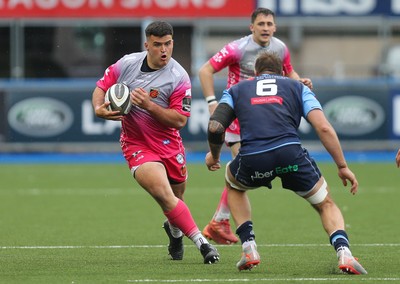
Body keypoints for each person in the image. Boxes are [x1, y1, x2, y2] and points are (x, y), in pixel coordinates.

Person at [205, 52, 368, 274]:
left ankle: (249, 247)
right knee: (325, 203)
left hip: (254, 157)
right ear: (282, 71)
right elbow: (324, 128)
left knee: (234, 185)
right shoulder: (298, 87)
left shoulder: (236, 90)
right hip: (290, 155)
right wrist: (342, 166)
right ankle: (344, 253)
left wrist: (214, 156)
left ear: (255, 73)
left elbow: (215, 126)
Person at [92, 21, 219, 264]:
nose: (164, 50)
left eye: (168, 44)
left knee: (176, 199)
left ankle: (174, 234)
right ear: (147, 44)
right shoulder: (127, 64)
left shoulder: (178, 77)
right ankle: (203, 244)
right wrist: (98, 108)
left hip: (169, 144)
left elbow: (180, 120)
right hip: (136, 144)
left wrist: (148, 105)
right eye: (158, 44)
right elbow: (101, 86)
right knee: (162, 193)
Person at [198, 7, 313, 245]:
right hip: (238, 116)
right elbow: (205, 70)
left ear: (275, 27)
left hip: (261, 117)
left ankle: (220, 221)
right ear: (252, 27)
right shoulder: (237, 49)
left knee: (244, 170)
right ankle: (220, 221)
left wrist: (300, 82)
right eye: (261, 24)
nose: (266, 28)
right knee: (245, 167)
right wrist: (212, 104)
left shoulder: (280, 48)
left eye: (269, 24)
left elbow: (288, 72)